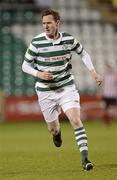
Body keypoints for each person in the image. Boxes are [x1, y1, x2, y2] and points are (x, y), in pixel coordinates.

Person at [22, 9, 102, 171]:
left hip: (66, 87)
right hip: (45, 91)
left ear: (57, 23)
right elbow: (25, 65)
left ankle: (85, 159)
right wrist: (39, 73)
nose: (46, 26)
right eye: (43, 23)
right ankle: (57, 133)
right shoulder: (37, 42)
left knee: (75, 119)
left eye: (49, 23)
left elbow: (83, 53)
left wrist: (93, 72)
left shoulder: (68, 39)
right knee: (53, 128)